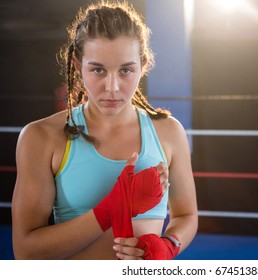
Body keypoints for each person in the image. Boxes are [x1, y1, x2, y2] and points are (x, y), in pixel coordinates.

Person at [11, 0, 198, 260]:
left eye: (126, 70)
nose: (112, 87)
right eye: (98, 69)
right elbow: (26, 252)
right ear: (77, 66)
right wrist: (111, 209)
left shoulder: (169, 132)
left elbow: (186, 215)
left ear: (143, 65)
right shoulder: (42, 137)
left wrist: (169, 245)